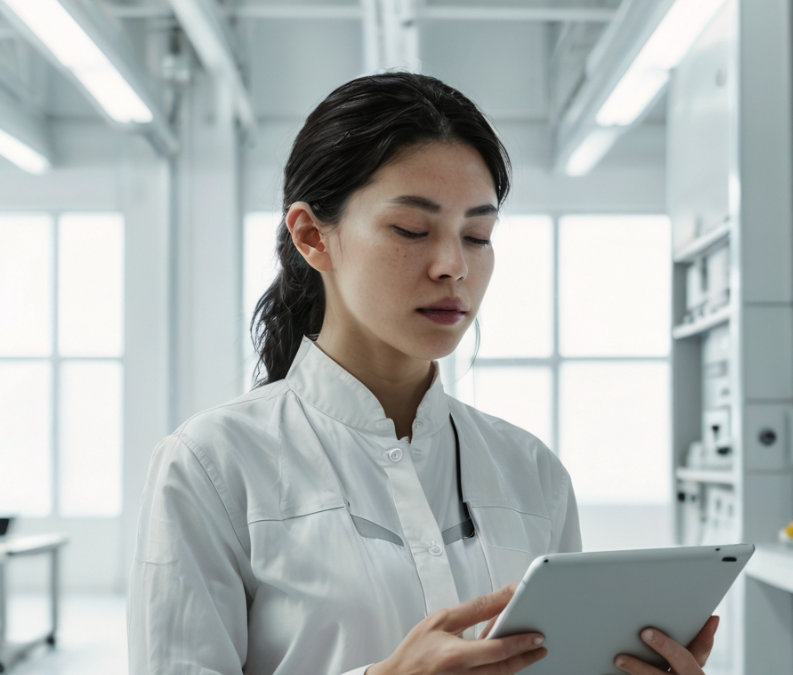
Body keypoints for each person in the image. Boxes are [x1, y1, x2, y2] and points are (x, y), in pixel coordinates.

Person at [128, 72, 719, 675]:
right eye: (412, 230)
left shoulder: (532, 473)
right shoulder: (211, 466)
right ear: (311, 236)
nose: (453, 266)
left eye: (477, 235)